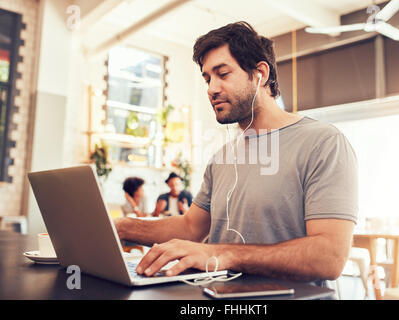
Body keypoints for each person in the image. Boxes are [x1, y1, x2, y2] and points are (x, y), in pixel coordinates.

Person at [114, 21, 358, 287]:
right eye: (207, 78)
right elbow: (191, 228)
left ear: (259, 74)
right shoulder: (221, 158)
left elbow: (330, 257)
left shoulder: (323, 143)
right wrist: (124, 227)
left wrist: (223, 254)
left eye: (223, 74)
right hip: (218, 296)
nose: (211, 89)